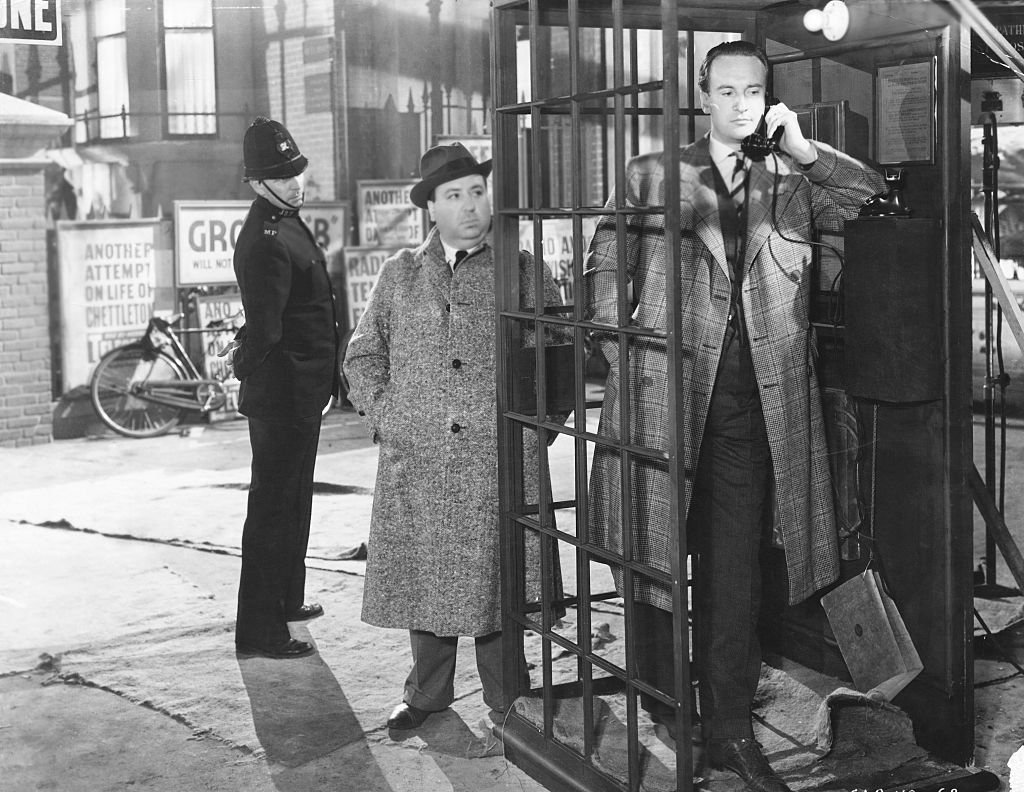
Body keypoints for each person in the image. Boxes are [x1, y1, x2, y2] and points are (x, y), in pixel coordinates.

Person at [584, 41, 885, 792]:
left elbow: (870, 198)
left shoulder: (794, 177)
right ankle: (663, 704)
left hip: (756, 411)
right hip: (667, 403)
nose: (740, 102)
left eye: (753, 90)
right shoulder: (654, 174)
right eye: (726, 90)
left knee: (732, 576)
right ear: (702, 95)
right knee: (656, 561)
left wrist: (807, 148)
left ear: (767, 97)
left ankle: (726, 733)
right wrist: (625, 360)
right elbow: (602, 264)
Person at [343, 142, 562, 730]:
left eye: (476, 191)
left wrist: (535, 435)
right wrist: (390, 418)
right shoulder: (401, 273)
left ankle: (508, 697)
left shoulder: (523, 269)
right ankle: (426, 695)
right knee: (426, 579)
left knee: (499, 582)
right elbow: (362, 358)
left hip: (497, 457)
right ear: (431, 209)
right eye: (452, 196)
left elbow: (561, 366)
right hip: (420, 457)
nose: (469, 205)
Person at [230, 116, 340, 659]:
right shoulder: (263, 240)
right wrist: (241, 362)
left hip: (303, 390)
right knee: (271, 509)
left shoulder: (288, 221)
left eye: (297, 168)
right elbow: (266, 328)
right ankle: (258, 629)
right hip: (280, 394)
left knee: (294, 500)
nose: (296, 181)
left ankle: (287, 600)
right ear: (256, 183)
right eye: (282, 173)